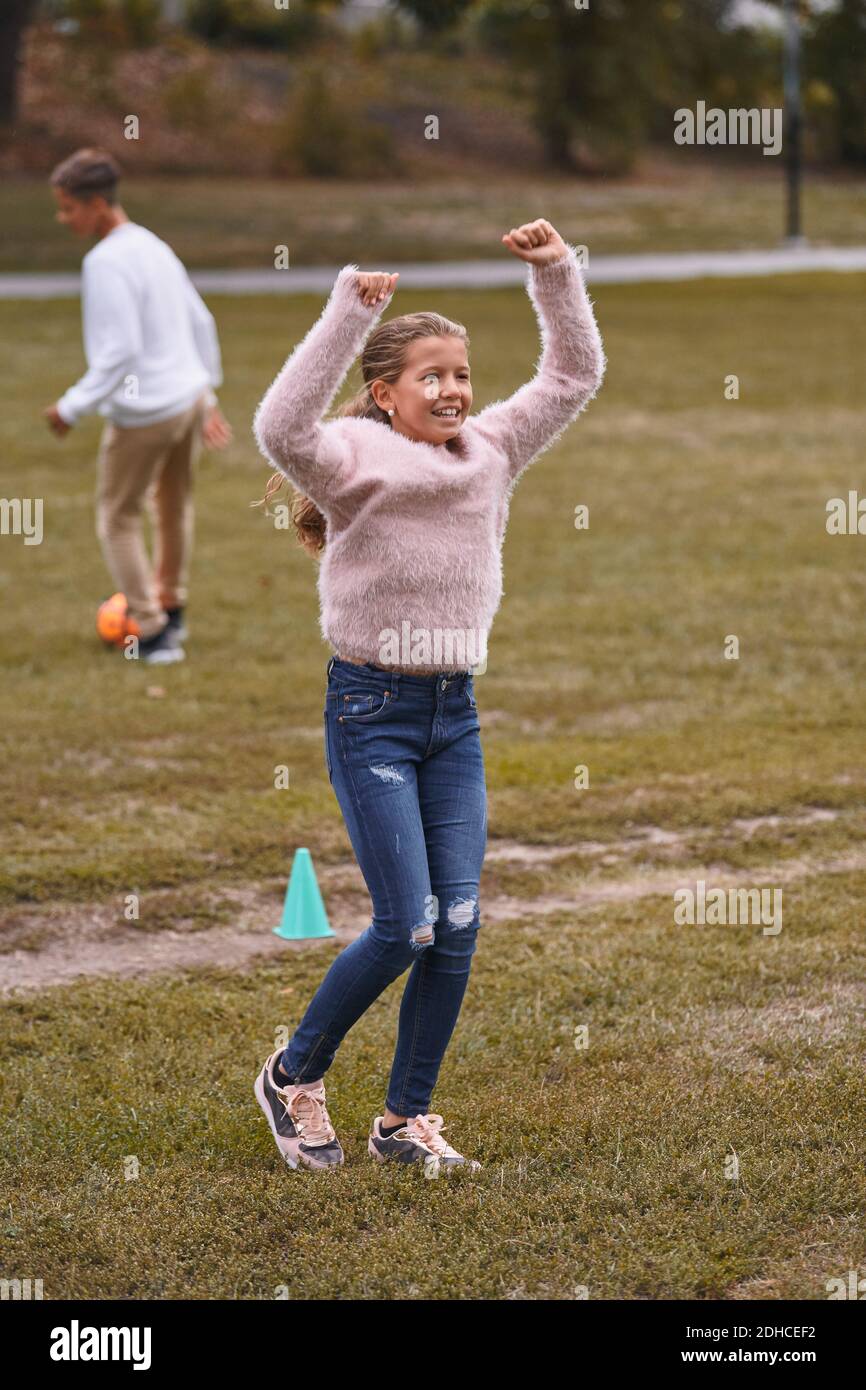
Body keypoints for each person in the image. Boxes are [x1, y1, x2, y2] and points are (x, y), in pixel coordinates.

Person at [251, 219, 605, 1172]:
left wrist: (556, 274)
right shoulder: (347, 461)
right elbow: (278, 427)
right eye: (431, 377)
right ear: (385, 393)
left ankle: (405, 1121)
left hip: (455, 718)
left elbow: (573, 377)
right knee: (405, 921)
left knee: (457, 922)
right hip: (372, 711)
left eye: (461, 373)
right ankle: (293, 1076)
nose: (453, 390)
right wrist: (345, 312)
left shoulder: (490, 450)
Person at [44, 147, 233, 664]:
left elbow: (120, 351)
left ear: (99, 204)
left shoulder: (104, 261)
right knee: (173, 508)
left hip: (147, 411)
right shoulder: (151, 243)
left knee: (117, 517)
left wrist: (71, 406)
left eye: (69, 208)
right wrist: (207, 391)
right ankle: (172, 610)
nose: (65, 219)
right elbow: (201, 320)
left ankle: (150, 634)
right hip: (187, 401)